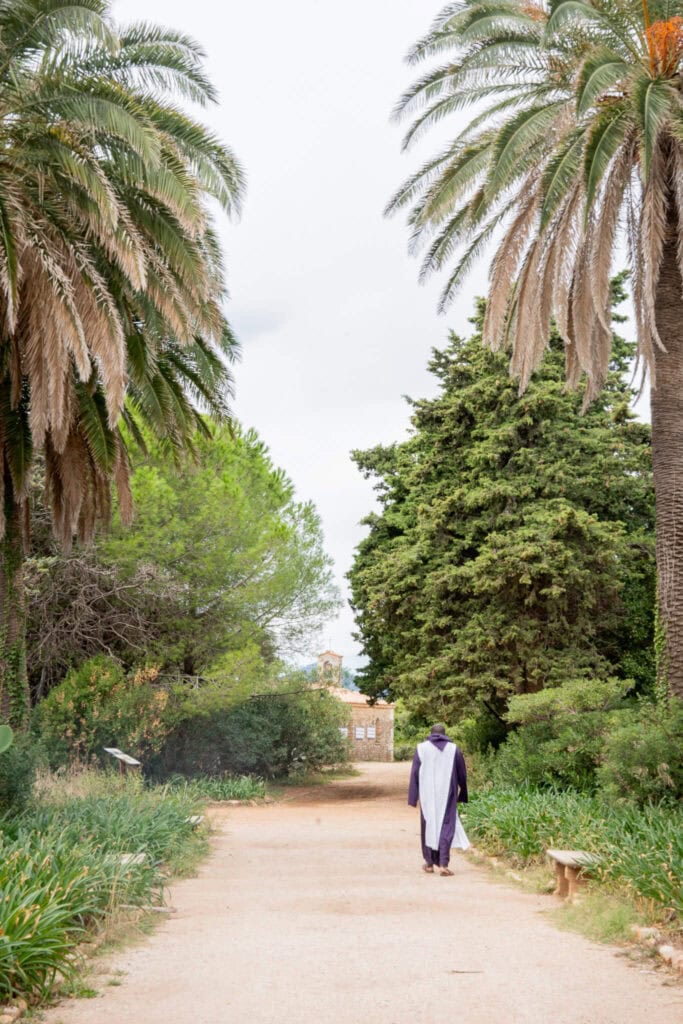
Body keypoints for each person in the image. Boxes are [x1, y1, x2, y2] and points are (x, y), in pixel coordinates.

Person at [408, 723, 469, 876]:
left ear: (431, 733)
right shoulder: (453, 749)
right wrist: (463, 793)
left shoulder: (421, 748)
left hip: (427, 795)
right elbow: (462, 773)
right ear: (445, 734)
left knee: (429, 826)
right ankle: (443, 864)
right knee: (446, 827)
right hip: (447, 794)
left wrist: (413, 797)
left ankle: (429, 864)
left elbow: (415, 773)